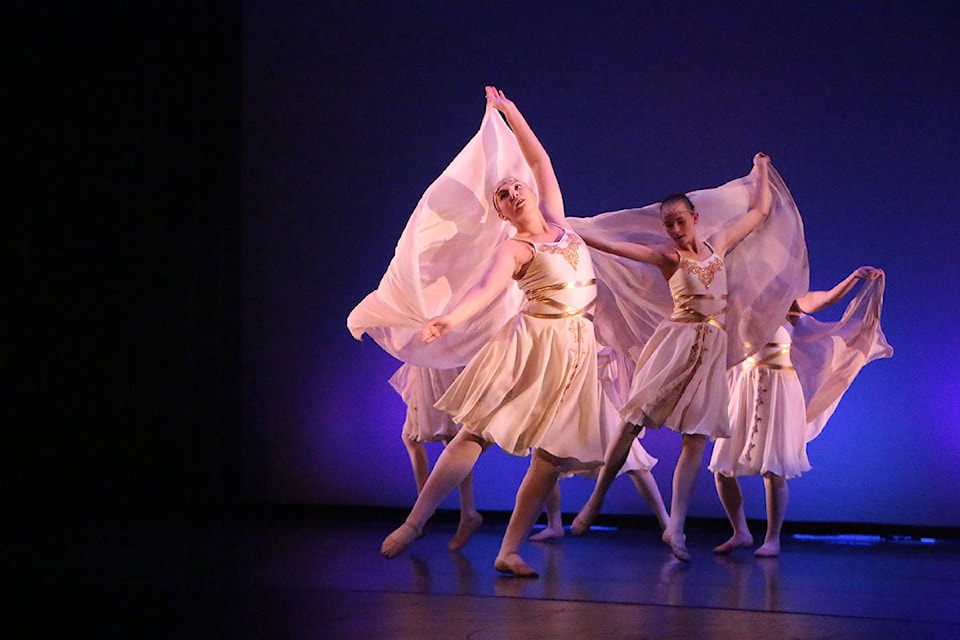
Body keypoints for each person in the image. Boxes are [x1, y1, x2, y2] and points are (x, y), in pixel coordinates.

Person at [378, 86, 606, 577]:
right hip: (532, 345)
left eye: (515, 186)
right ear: (501, 213)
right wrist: (449, 319)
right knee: (474, 433)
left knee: (552, 454)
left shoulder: (559, 222)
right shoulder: (515, 248)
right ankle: (416, 522)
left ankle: (509, 550)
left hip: (576, 350)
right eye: (503, 194)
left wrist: (510, 111)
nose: (513, 191)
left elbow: (540, 159)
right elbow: (484, 289)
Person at [571, 154, 775, 561]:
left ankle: (675, 526)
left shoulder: (719, 246)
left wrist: (762, 170)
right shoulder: (669, 257)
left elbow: (760, 210)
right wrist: (572, 229)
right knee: (633, 420)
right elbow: (615, 245)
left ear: (695, 218)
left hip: (711, 349)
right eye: (669, 225)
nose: (676, 230)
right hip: (678, 342)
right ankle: (595, 501)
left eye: (681, 221)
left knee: (695, 439)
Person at [710, 266, 892, 557]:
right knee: (722, 466)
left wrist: (853, 277)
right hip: (745, 387)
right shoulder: (739, 308)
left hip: (779, 388)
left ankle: (772, 538)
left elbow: (828, 298)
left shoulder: (790, 306)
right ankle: (740, 531)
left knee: (774, 468)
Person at [388, 363, 482, 550]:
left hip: (439, 363)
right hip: (425, 364)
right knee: (418, 437)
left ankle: (456, 512)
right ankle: (438, 510)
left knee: (453, 437)